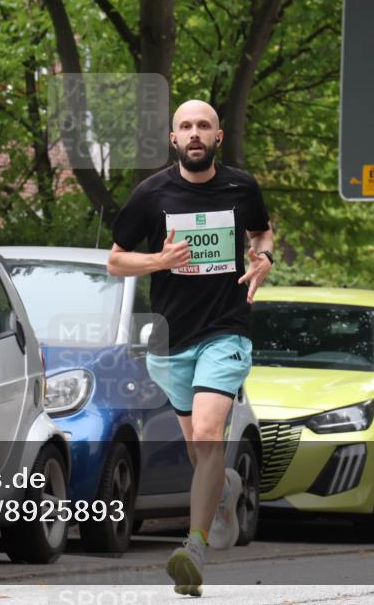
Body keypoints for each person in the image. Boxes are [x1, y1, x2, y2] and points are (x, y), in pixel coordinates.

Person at [107, 99, 274, 596]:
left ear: (218, 138)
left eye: (204, 125)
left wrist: (263, 258)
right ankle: (223, 491)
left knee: (207, 431)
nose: (195, 133)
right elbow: (115, 262)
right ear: (173, 140)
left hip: (226, 329)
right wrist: (159, 260)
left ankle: (193, 547)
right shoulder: (151, 193)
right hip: (171, 340)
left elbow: (261, 231)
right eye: (186, 126)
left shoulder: (241, 187)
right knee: (200, 450)